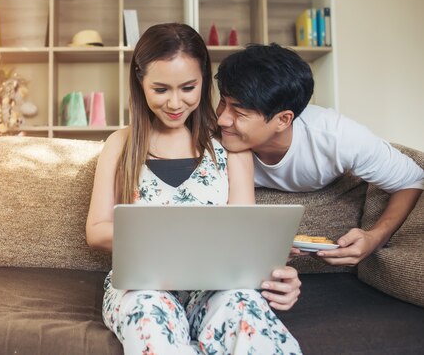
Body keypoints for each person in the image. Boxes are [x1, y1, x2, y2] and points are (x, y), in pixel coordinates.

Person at [86, 24, 302, 355]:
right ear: (140, 83)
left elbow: (244, 233)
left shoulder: (230, 147)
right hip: (142, 287)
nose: (175, 103)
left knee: (247, 314)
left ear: (204, 79)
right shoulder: (120, 143)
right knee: (150, 322)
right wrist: (171, 234)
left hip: (216, 286)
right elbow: (96, 232)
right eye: (160, 89)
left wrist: (275, 274)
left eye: (188, 87)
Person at [215, 43, 424, 267]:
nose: (221, 119)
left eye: (239, 113)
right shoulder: (208, 138)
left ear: (283, 120)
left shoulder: (336, 137)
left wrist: (374, 238)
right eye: (222, 102)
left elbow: (411, 179)